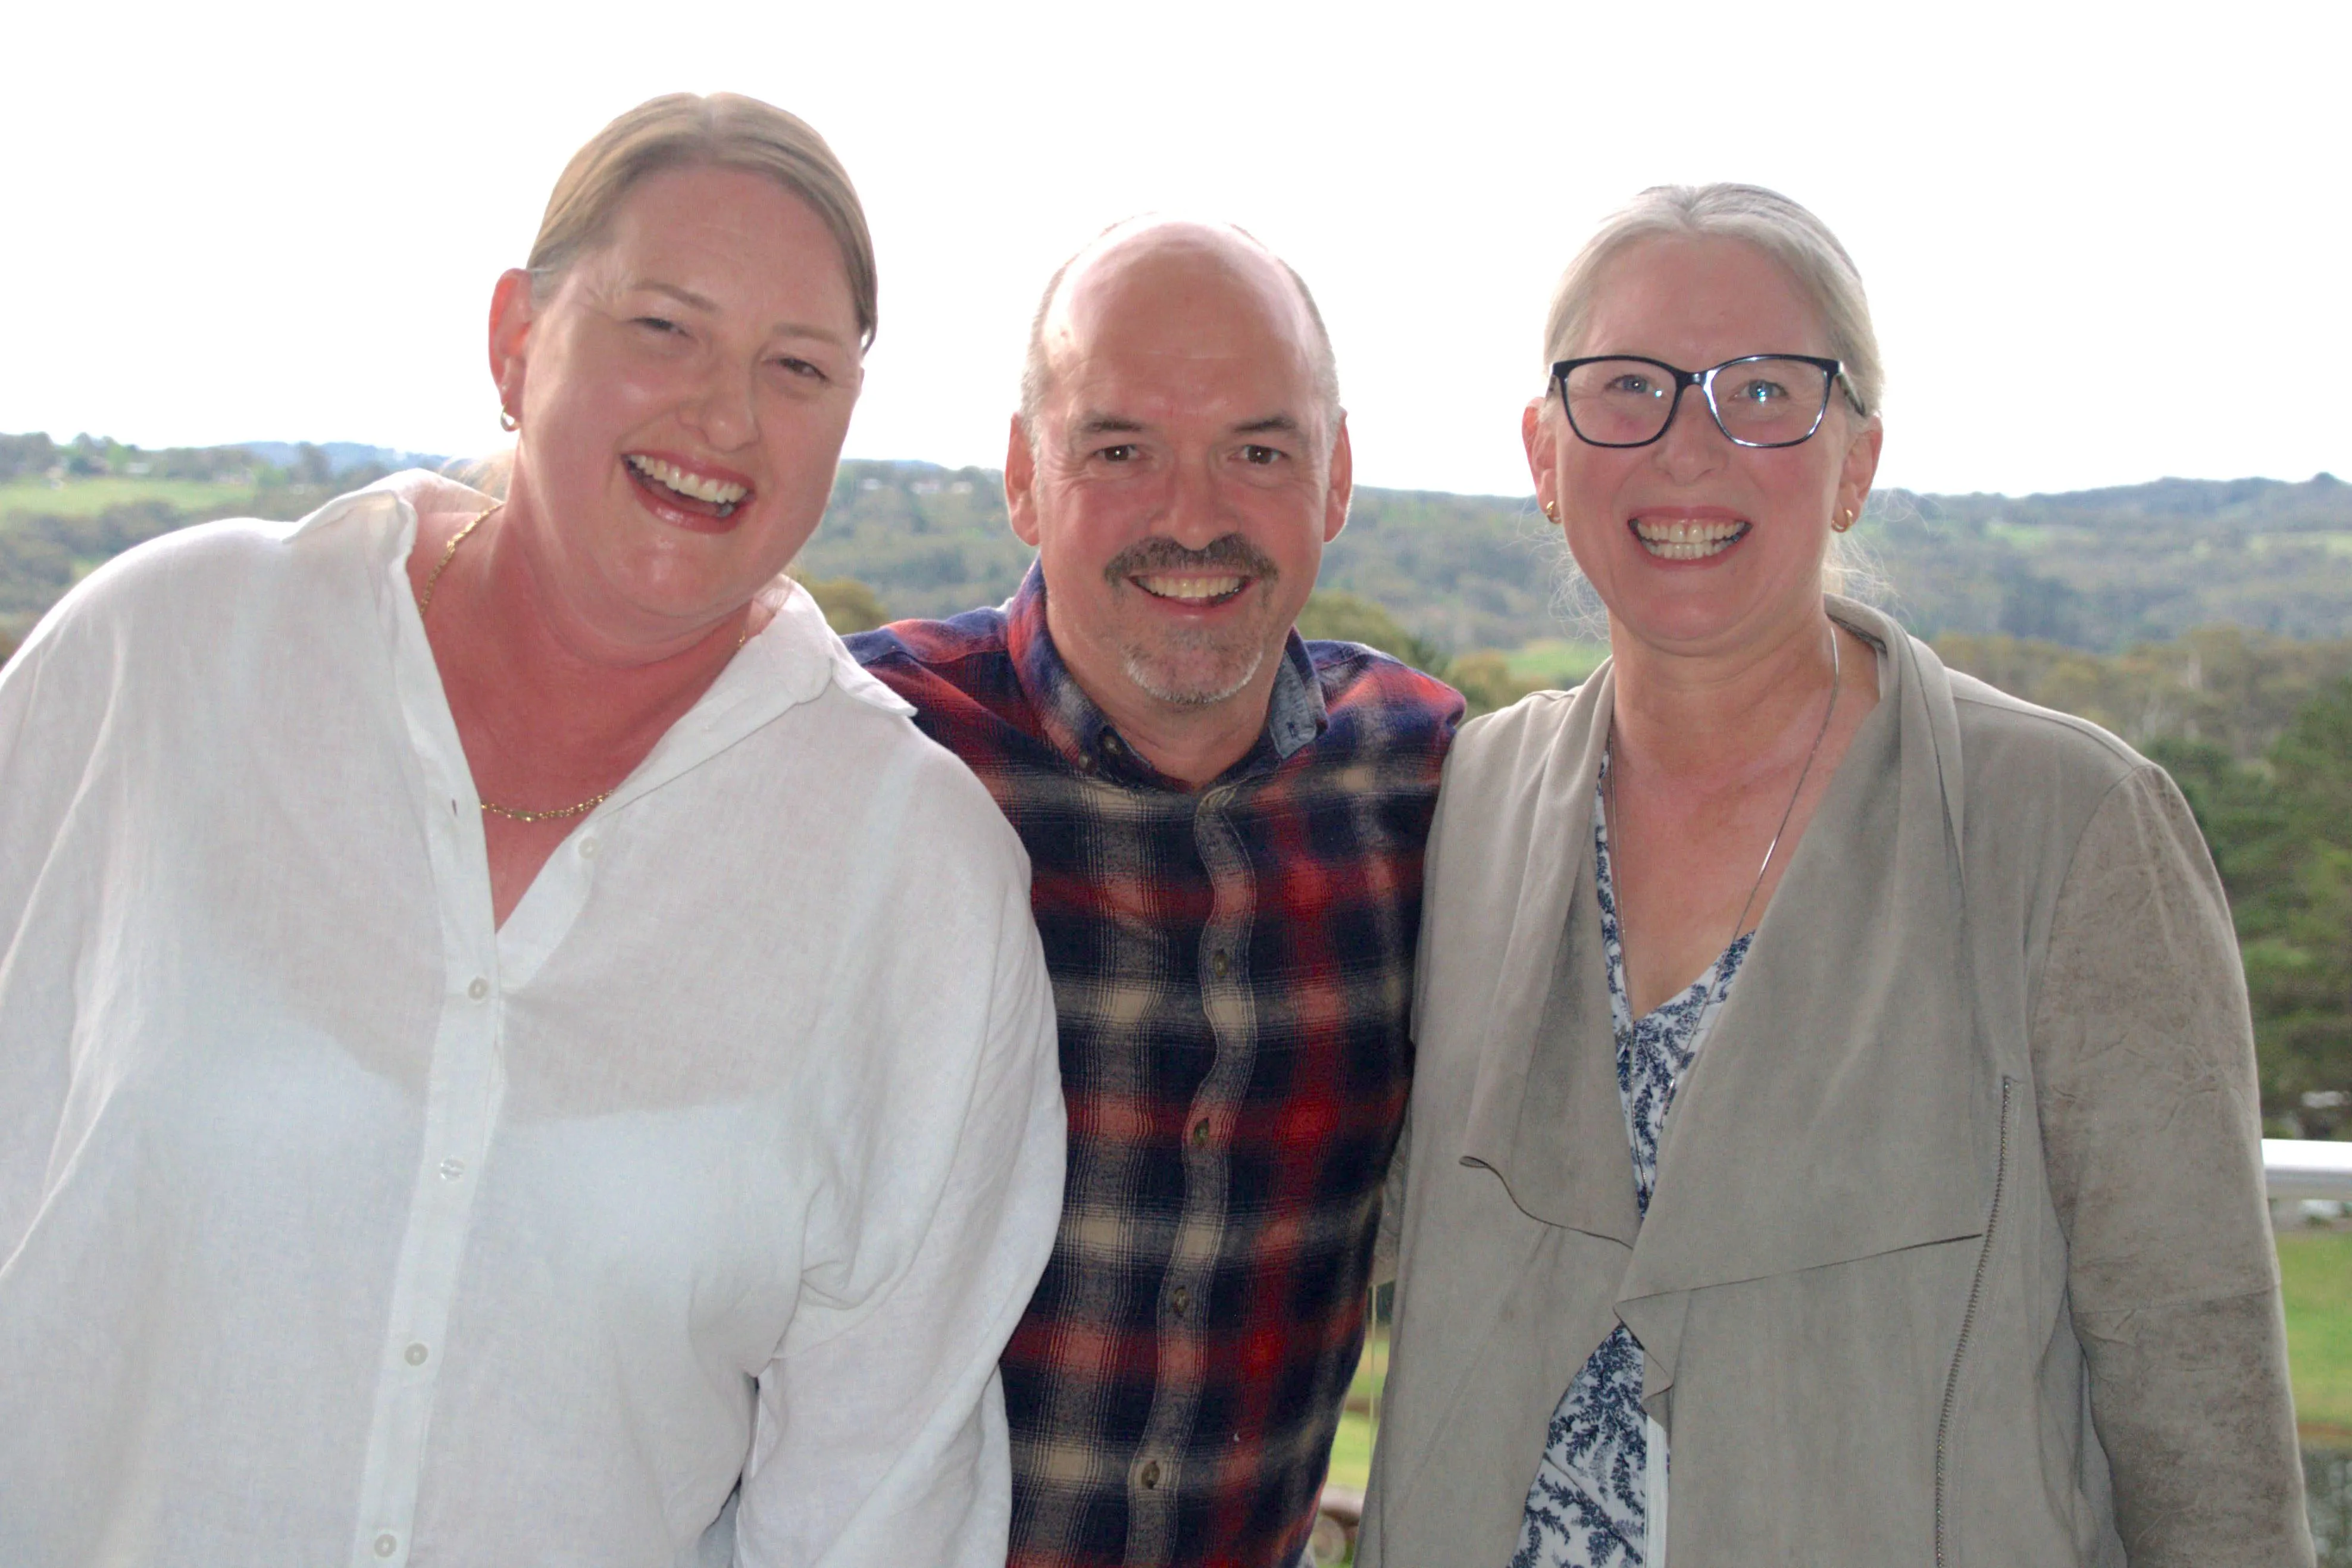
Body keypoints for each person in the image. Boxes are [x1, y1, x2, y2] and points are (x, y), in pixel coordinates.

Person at [0, 93, 1064, 1566]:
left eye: (797, 366)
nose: (725, 417)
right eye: (664, 327)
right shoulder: (169, 658)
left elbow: (877, 1503)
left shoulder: (915, 882)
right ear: (514, 341)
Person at [1359, 183, 2312, 1567]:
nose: (1689, 447)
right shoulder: (1467, 806)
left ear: (1855, 458)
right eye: (1624, 387)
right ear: (1544, 451)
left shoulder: (2070, 828)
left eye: (1761, 392)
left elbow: (2196, 1398)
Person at [849, 218, 1463, 1567]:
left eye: (1257, 451)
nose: (1194, 518)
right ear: (1024, 476)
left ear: (1335, 479)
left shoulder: (1436, 790)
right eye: (1120, 451)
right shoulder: (856, 753)